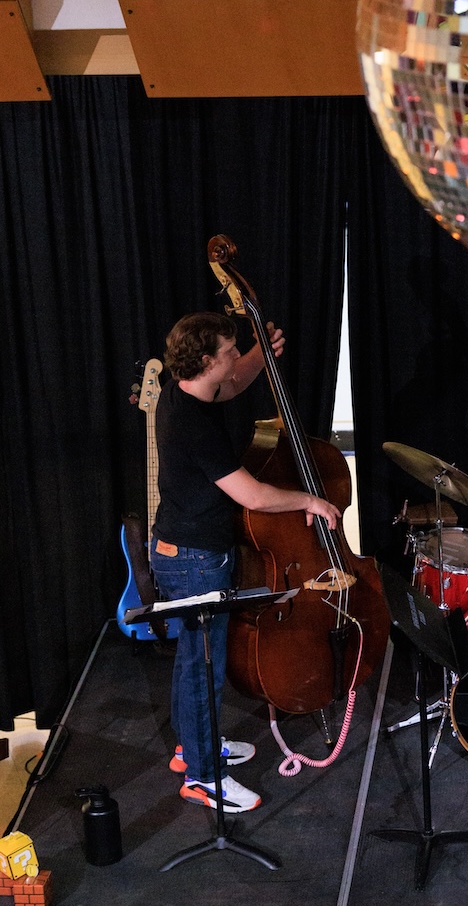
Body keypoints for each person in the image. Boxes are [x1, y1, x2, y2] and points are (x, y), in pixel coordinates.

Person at [151, 312, 341, 813]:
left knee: (194, 660)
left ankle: (191, 748)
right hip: (194, 560)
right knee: (203, 668)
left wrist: (260, 352)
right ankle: (203, 777)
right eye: (231, 352)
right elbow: (252, 495)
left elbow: (232, 384)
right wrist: (310, 501)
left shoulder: (183, 387)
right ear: (209, 360)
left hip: (182, 551)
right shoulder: (194, 424)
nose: (236, 361)